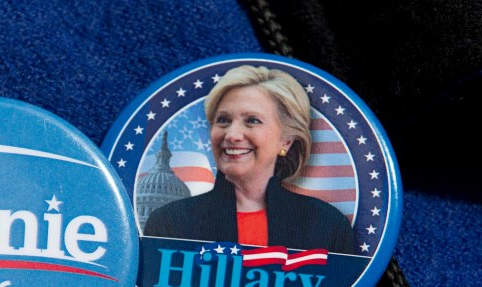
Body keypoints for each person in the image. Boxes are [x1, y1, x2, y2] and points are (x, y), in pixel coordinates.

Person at [145, 66, 355, 253]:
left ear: (286, 141)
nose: (232, 134)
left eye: (252, 121)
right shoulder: (168, 222)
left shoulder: (327, 226)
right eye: (223, 120)